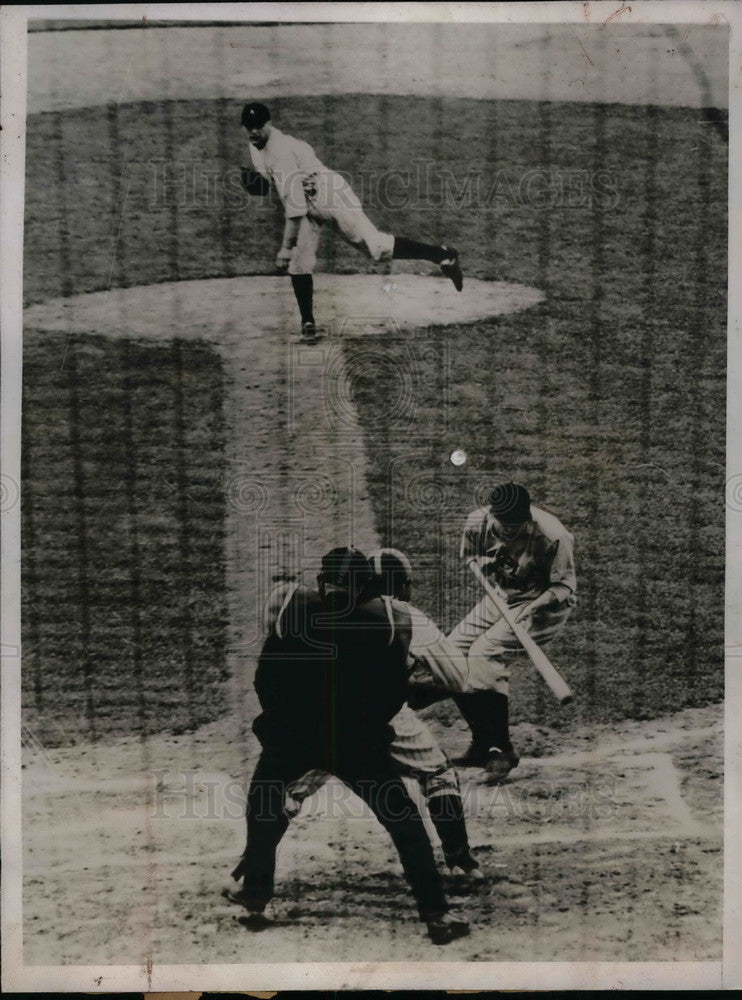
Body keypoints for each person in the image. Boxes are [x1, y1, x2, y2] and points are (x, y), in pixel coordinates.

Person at [224, 547, 470, 945]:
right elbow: (399, 688)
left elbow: (267, 675)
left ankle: (254, 900)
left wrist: (276, 724)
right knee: (405, 824)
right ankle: (437, 915)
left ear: (323, 580)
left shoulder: (290, 604)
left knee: (263, 805)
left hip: (296, 736)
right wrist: (380, 719)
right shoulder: (393, 617)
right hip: (357, 742)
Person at [282, 548, 483, 882]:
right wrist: (413, 691)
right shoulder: (405, 615)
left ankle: (249, 868)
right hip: (381, 715)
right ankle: (461, 862)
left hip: (320, 714)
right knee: (438, 774)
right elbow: (457, 678)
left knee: (292, 788)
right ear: (402, 586)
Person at [239, 102, 464, 341]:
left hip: (330, 195)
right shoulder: (255, 146)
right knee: (299, 262)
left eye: (258, 126)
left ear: (269, 124)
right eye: (249, 127)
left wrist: (285, 247)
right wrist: (261, 182)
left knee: (376, 248)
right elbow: (274, 181)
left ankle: (443, 255)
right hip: (306, 201)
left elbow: (295, 210)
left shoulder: (281, 153)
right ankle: (308, 323)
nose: (254, 131)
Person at [448, 483, 577, 781]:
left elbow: (564, 586)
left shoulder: (553, 536)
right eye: (503, 525)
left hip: (543, 607)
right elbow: (470, 555)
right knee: (450, 655)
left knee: (484, 654)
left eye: (515, 527)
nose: (508, 531)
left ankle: (502, 749)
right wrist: (484, 563)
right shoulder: (477, 522)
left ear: (528, 519)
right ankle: (482, 744)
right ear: (492, 515)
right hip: (502, 597)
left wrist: (530, 609)